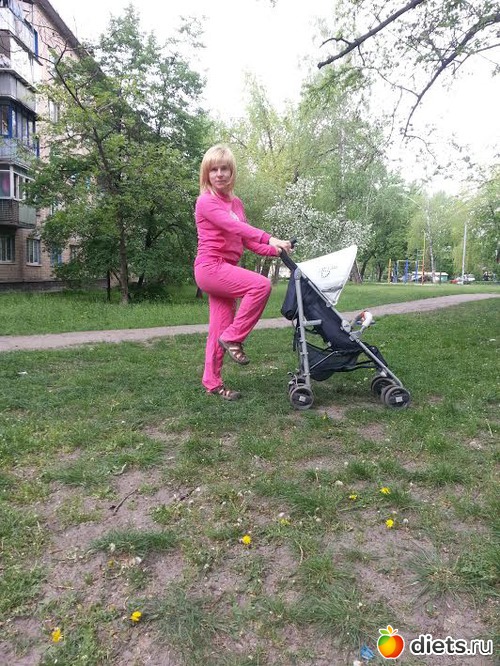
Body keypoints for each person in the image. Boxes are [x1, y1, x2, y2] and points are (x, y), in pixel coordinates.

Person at [194, 144, 292, 400]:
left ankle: (212, 383)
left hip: (225, 269)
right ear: (206, 174)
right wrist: (269, 237)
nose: (219, 174)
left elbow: (247, 240)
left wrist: (277, 250)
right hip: (210, 267)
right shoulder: (206, 201)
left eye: (224, 168)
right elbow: (233, 227)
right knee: (260, 285)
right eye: (213, 169)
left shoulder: (236, 203)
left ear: (231, 172)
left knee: (218, 330)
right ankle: (234, 337)